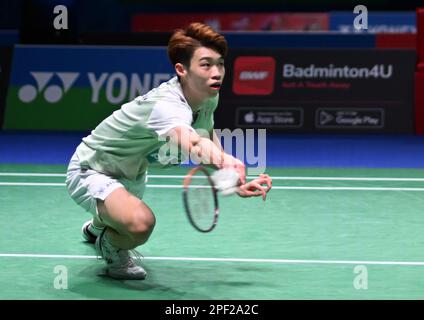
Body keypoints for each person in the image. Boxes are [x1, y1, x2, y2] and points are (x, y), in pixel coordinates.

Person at [65, 22, 272, 280]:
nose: (217, 72)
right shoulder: (167, 106)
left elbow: (205, 135)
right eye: (206, 64)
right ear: (181, 69)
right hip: (92, 169)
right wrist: (226, 160)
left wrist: (231, 182)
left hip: (131, 175)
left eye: (220, 63)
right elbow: (193, 144)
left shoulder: (207, 96)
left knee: (126, 214)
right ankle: (109, 244)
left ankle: (96, 228)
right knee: (141, 224)